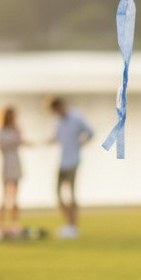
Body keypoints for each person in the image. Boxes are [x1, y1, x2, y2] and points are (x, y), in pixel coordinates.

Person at [47, 96, 94, 238]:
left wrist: (80, 144)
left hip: (73, 161)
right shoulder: (57, 121)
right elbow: (57, 137)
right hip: (62, 161)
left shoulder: (76, 117)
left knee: (71, 194)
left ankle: (73, 226)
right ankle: (68, 223)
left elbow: (90, 133)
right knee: (58, 193)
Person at [0, 105, 28, 234]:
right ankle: (1, 224)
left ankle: (14, 223)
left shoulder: (16, 129)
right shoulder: (1, 131)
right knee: (5, 195)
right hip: (7, 163)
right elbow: (0, 146)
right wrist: (14, 142)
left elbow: (22, 142)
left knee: (15, 196)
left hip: (15, 162)